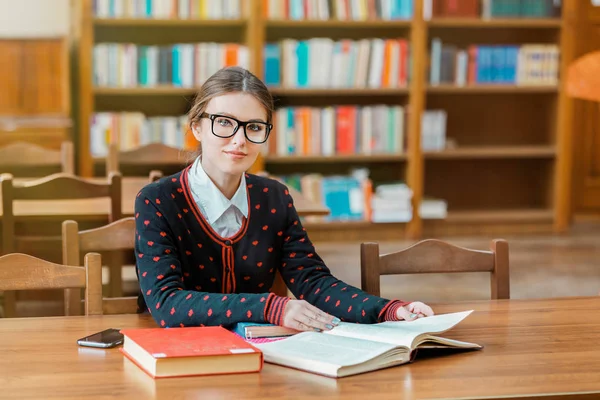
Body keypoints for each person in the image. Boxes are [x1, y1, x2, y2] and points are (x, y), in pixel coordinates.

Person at [134, 66, 434, 332]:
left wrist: (388, 310)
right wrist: (271, 307)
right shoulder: (157, 200)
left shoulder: (273, 197)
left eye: (253, 127)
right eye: (224, 122)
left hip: (260, 352)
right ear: (197, 127)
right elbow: (166, 304)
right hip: (179, 354)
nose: (239, 140)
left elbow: (314, 283)